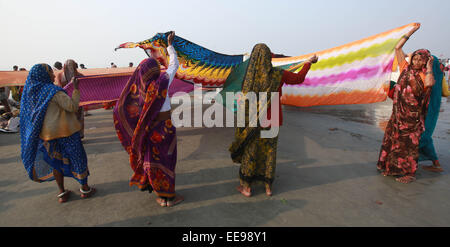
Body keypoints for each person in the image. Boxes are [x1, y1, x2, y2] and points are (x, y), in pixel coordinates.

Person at [229, 43, 318, 197]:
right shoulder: (278, 74)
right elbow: (299, 78)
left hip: (253, 122)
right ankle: (268, 187)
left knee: (251, 153)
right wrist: (308, 63)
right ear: (269, 57)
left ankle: (247, 188)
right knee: (269, 153)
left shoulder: (249, 78)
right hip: (273, 120)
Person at [113, 31, 183, 207]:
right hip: (166, 129)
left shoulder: (139, 90)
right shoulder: (163, 81)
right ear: (155, 70)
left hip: (150, 131)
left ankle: (161, 196)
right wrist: (169, 46)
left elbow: (121, 108)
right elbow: (174, 65)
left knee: (152, 161)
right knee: (168, 159)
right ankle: (170, 196)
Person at [19, 63, 95, 203]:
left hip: (47, 135)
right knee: (77, 157)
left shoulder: (30, 94)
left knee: (56, 162)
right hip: (67, 131)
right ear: (44, 75)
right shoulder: (54, 91)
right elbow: (72, 107)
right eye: (50, 73)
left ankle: (62, 192)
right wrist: (76, 89)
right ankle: (85, 188)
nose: (54, 75)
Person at [377, 23, 437, 184]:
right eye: (415, 58)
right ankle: (391, 168)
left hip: (412, 119)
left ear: (425, 62)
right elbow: (397, 48)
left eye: (420, 60)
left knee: (409, 146)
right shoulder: (405, 68)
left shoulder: (425, 76)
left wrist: (430, 66)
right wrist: (411, 32)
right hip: (397, 114)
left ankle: (409, 173)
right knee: (393, 141)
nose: (416, 62)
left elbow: (430, 84)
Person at [55, 59, 86, 139]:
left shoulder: (79, 75)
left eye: (71, 66)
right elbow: (59, 87)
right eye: (68, 66)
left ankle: (79, 135)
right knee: (69, 118)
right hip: (66, 100)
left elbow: (85, 85)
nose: (70, 68)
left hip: (78, 99)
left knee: (78, 117)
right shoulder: (60, 75)